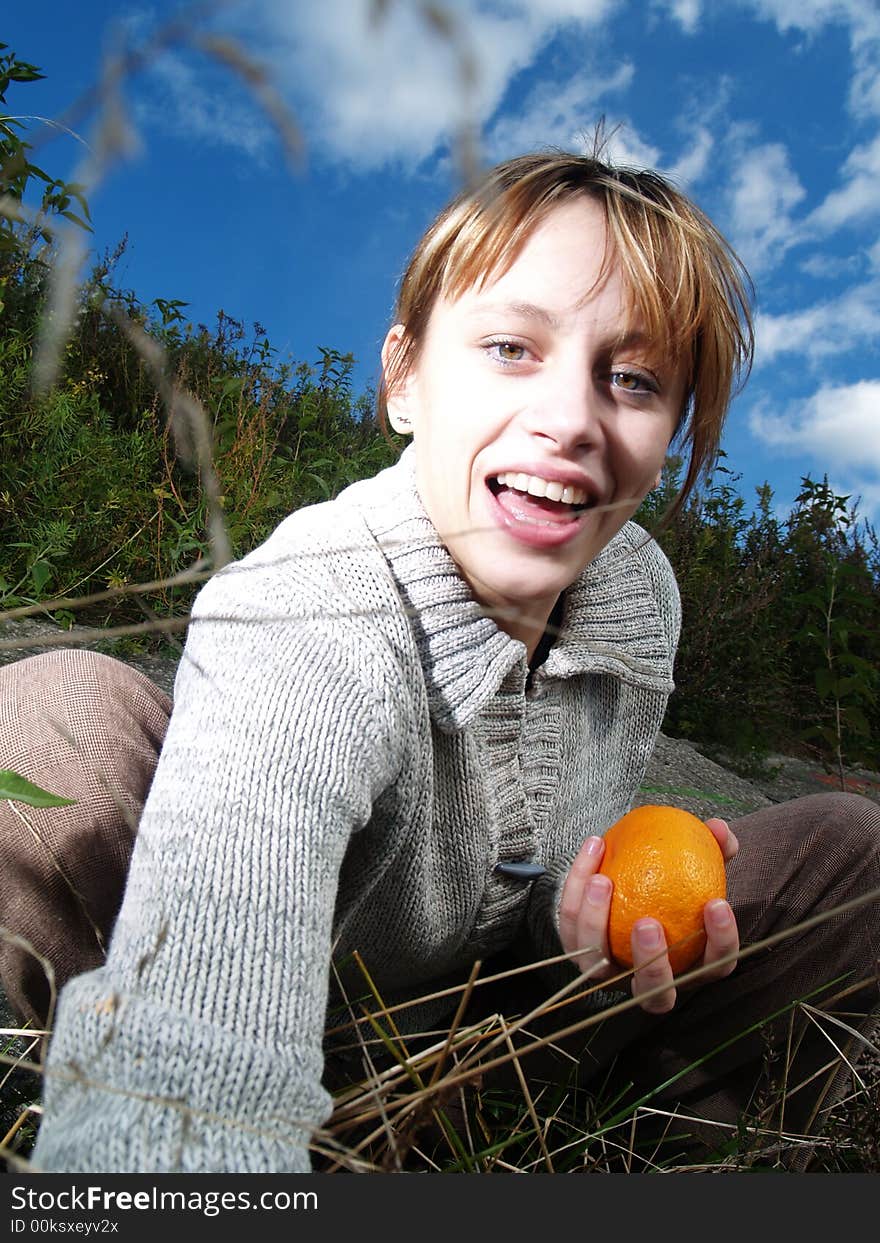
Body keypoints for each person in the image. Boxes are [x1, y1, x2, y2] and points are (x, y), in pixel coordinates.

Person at [2, 150, 878, 1174]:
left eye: (634, 379)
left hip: (488, 1054)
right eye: (511, 347)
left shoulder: (640, 596)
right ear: (404, 378)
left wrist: (582, 927)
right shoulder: (307, 610)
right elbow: (196, 1064)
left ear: (670, 430)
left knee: (848, 854)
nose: (570, 419)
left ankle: (670, 1150)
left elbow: (537, 866)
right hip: (271, 1025)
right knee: (52, 724)